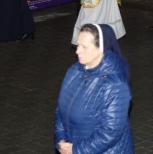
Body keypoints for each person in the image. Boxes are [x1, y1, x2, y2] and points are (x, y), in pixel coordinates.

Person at [55, 23, 134, 153]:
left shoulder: (115, 84)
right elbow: (60, 109)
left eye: (84, 47)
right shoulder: (73, 71)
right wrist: (61, 140)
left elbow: (111, 132)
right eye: (78, 45)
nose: (77, 51)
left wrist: (76, 150)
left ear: (101, 48)